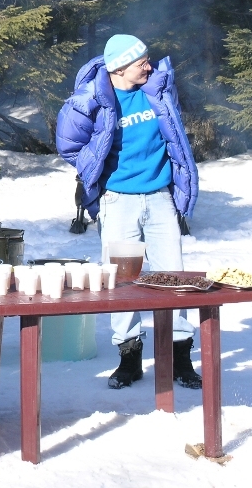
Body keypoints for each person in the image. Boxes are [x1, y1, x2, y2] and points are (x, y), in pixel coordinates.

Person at [55, 34, 202, 389]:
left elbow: (174, 135)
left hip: (159, 197)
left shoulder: (159, 89)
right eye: (141, 62)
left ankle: (179, 357)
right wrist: (96, 172)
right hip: (118, 201)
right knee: (123, 280)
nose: (148, 66)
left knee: (174, 277)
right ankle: (129, 357)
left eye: (148, 60)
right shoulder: (94, 98)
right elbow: (68, 144)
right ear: (119, 67)